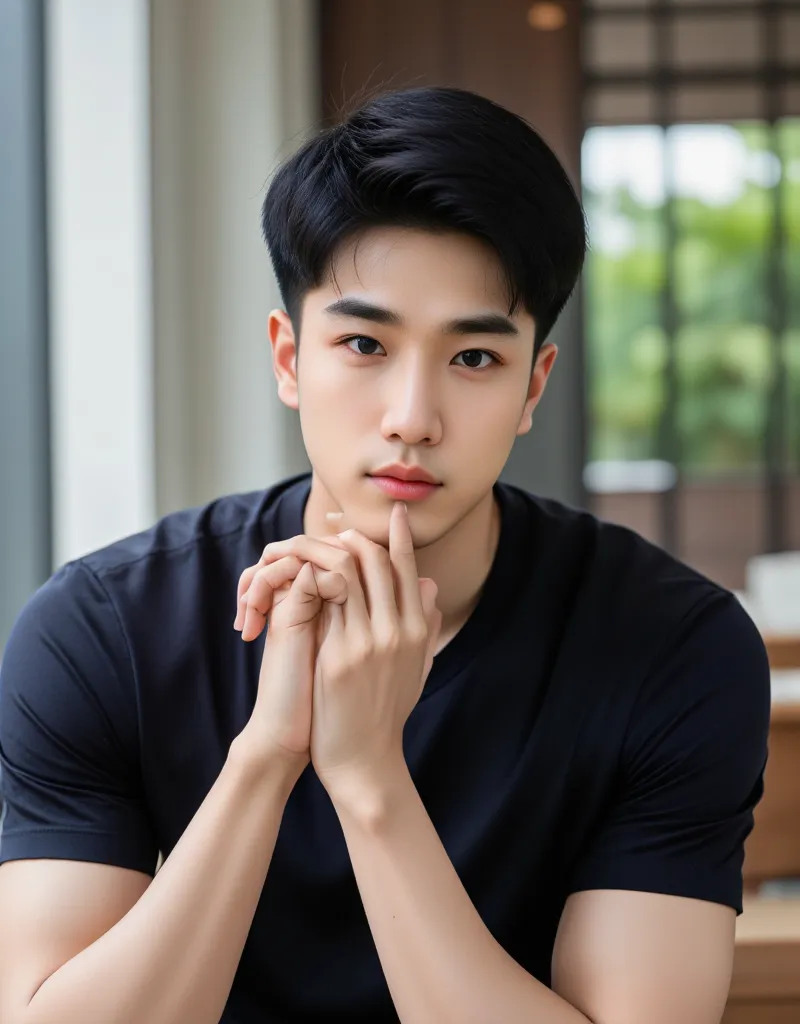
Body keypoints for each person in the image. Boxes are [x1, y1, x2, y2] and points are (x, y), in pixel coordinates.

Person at [0, 86, 769, 1024]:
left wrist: (369, 777)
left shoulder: (674, 647)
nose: (413, 418)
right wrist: (268, 757)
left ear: (536, 385)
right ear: (290, 359)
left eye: (474, 359)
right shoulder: (103, 626)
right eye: (364, 343)